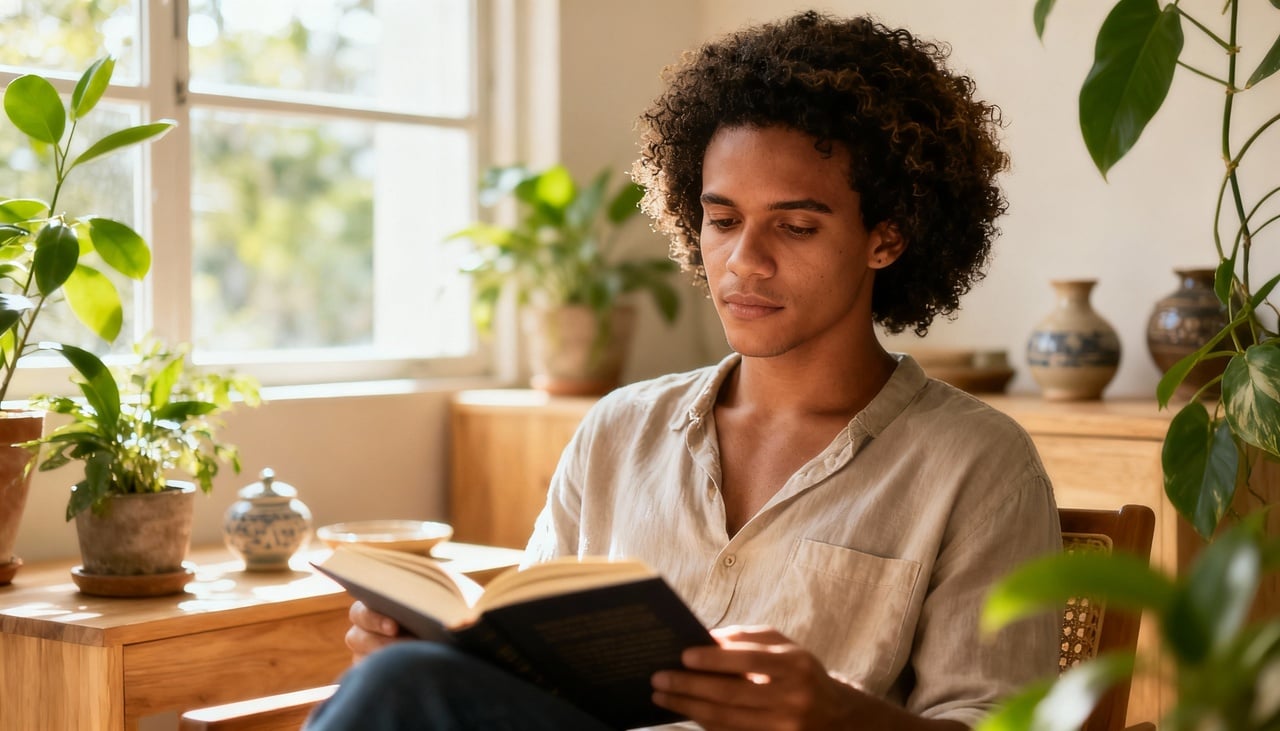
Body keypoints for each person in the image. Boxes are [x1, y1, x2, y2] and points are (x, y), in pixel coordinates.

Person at [307, 10, 1060, 731]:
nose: (744, 261)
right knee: (396, 680)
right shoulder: (618, 430)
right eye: (723, 220)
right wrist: (445, 654)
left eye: (795, 226)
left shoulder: (978, 464)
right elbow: (524, 658)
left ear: (887, 238)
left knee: (391, 692)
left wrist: (841, 717)